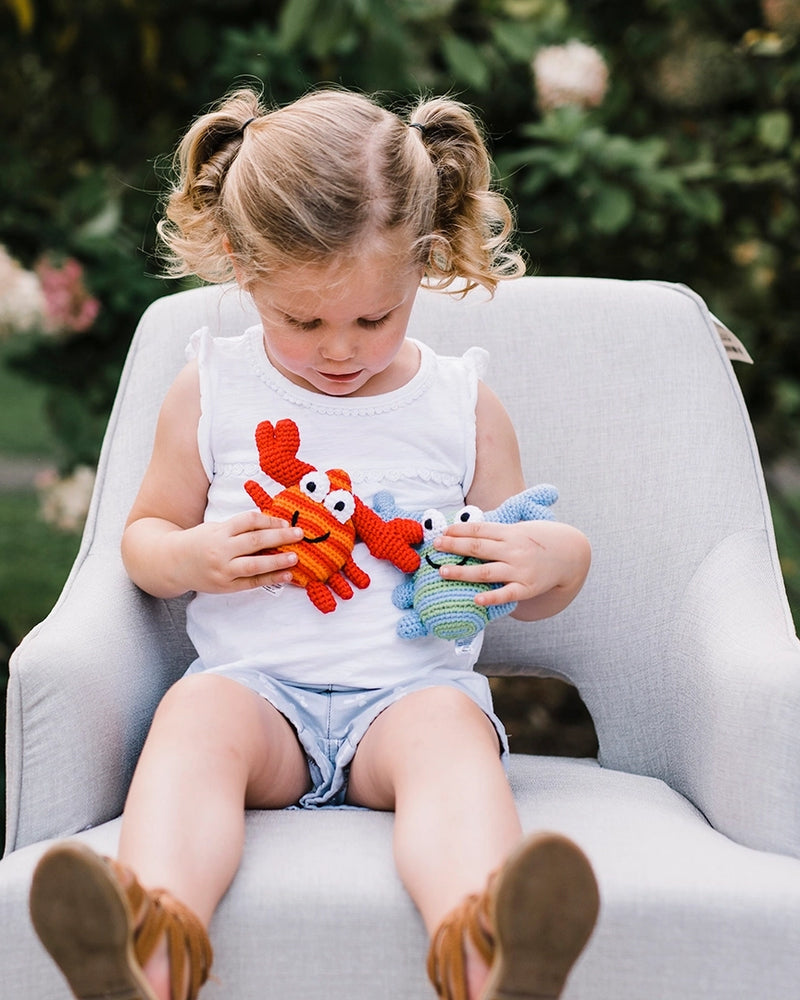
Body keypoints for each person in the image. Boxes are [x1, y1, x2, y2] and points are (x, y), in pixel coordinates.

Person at [28, 85, 599, 1000]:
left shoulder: (460, 401)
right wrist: (194, 558)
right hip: (259, 699)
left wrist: (558, 561)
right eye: (302, 321)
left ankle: (492, 956)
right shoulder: (210, 388)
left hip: (406, 698)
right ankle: (147, 952)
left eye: (375, 318)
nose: (340, 351)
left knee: (451, 744)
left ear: (422, 267)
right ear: (244, 272)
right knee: (191, 725)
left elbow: (525, 553)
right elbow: (139, 539)